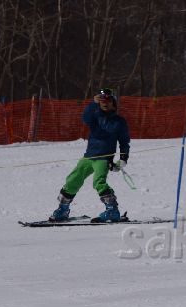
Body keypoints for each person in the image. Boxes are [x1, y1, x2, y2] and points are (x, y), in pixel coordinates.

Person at [49, 88, 130, 222]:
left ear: (113, 103)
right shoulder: (95, 116)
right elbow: (85, 118)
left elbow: (124, 141)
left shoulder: (119, 121)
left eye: (108, 101)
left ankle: (112, 211)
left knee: (99, 182)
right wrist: (93, 104)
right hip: (89, 156)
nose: (105, 103)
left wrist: (123, 159)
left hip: (104, 158)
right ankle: (63, 209)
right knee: (73, 180)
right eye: (102, 101)